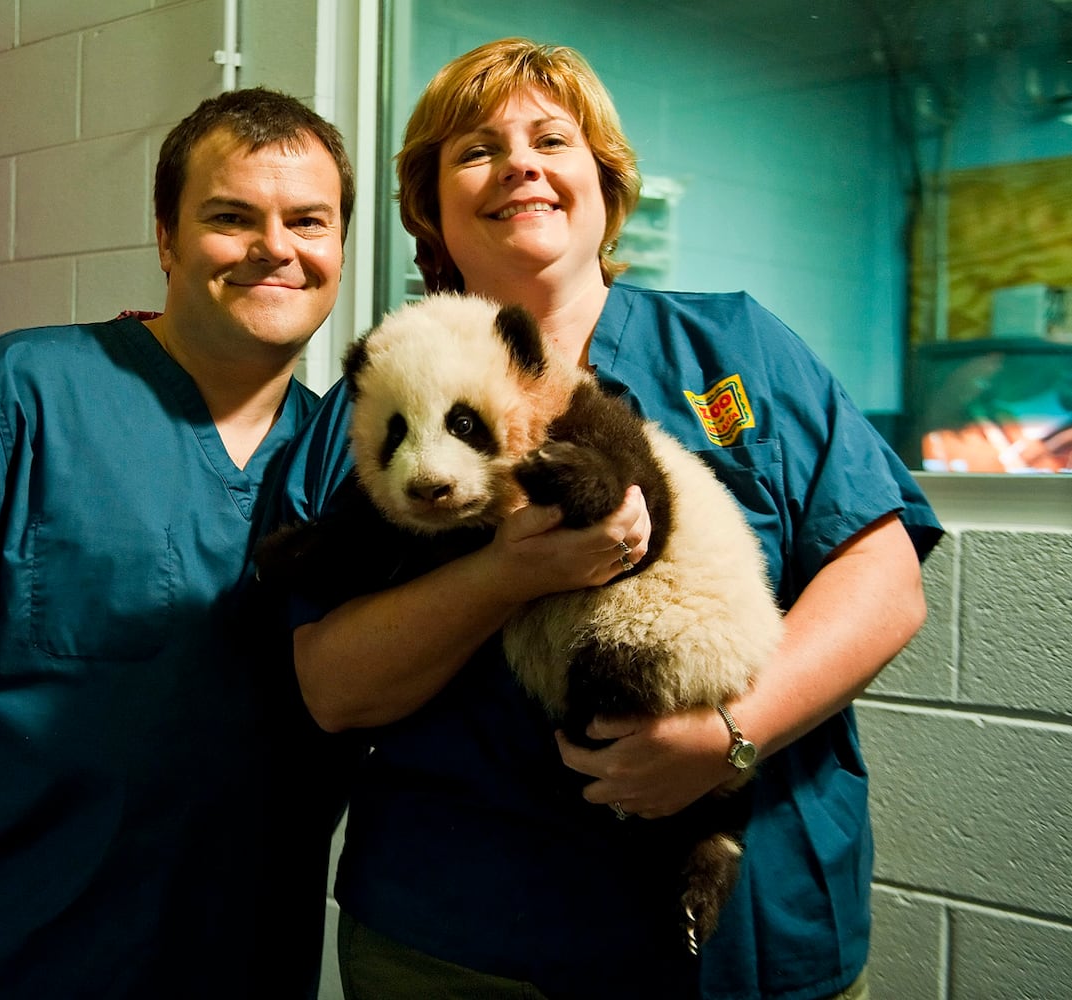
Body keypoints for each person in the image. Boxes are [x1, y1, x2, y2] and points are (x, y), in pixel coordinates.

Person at [268, 39, 943, 1000]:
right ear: (429, 204)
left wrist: (725, 738)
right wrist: (508, 572)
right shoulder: (377, 392)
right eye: (475, 151)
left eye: (552, 139)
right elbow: (330, 688)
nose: (519, 166)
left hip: (742, 937)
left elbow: (884, 582)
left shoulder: (736, 347)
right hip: (461, 938)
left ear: (606, 182)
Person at [0, 87, 354, 999]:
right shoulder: (20, 394)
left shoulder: (348, 461)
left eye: (308, 221)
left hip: (249, 957)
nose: (276, 249)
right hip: (13, 946)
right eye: (230, 217)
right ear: (167, 239)